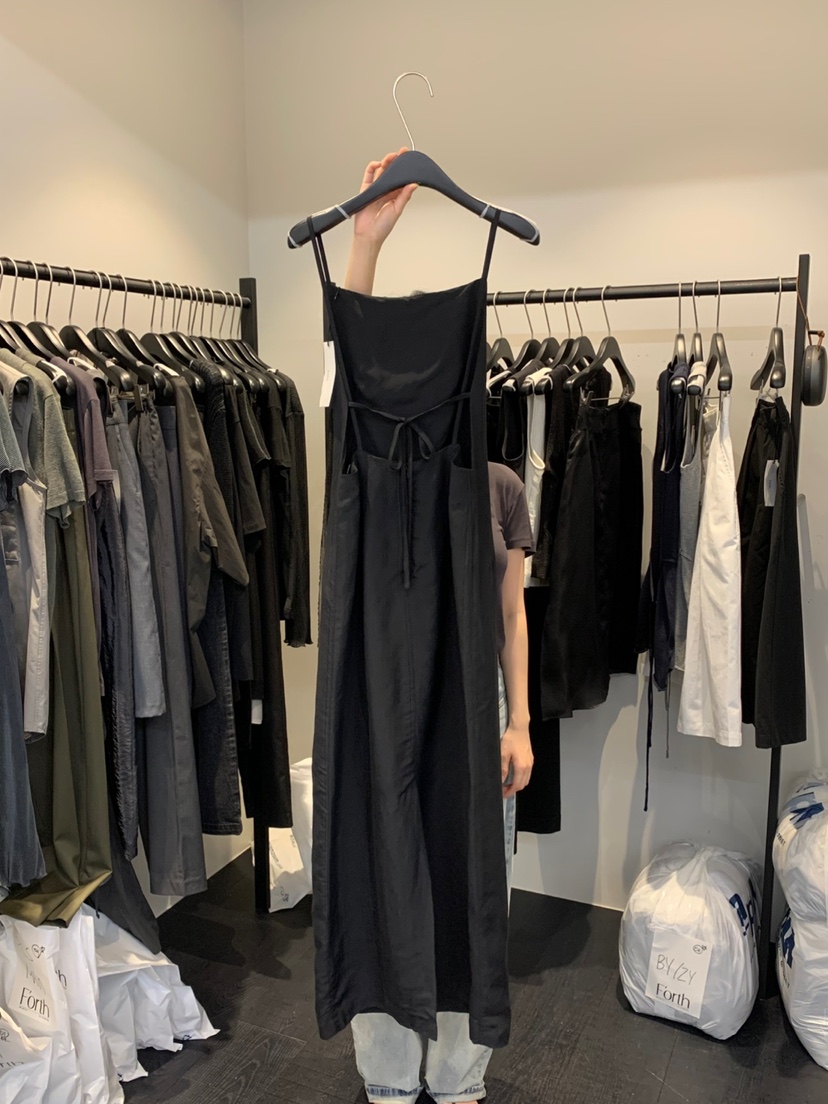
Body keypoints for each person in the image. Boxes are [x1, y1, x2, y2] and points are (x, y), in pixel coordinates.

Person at [341, 150, 534, 1104]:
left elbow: (511, 614)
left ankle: (456, 1076)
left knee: (467, 881)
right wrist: (365, 245)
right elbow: (346, 372)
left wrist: (520, 721)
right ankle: (387, 1071)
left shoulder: (497, 485)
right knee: (380, 862)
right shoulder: (364, 476)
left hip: (474, 699)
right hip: (382, 685)